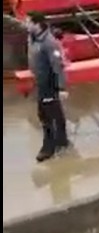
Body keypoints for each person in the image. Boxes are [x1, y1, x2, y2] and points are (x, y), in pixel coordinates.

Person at [27, 12, 70, 162]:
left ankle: (48, 148)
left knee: (46, 116)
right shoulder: (32, 38)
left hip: (49, 84)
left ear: (37, 24)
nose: (26, 25)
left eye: (29, 22)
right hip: (40, 82)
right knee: (54, 112)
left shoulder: (49, 43)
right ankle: (62, 141)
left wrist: (61, 87)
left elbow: (57, 66)